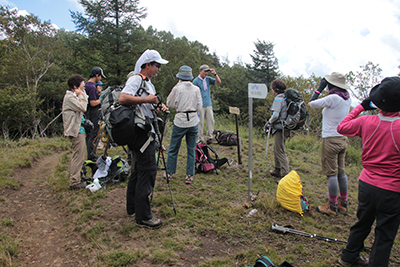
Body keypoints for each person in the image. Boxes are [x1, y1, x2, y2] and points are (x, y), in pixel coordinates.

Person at [337, 77, 400, 267]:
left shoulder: (366, 121)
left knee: (362, 222)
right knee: (385, 233)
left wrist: (361, 107)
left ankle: (348, 256)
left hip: (366, 184)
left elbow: (342, 127)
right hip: (392, 189)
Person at [118, 49, 168, 228]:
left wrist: (156, 104)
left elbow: (145, 101)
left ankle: (132, 207)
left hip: (141, 130)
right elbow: (122, 98)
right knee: (148, 170)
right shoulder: (136, 79)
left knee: (138, 170)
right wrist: (147, 100)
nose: (158, 69)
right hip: (141, 132)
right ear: (147, 65)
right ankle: (144, 216)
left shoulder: (148, 83)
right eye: (157, 65)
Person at [308, 72, 351, 216]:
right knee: (341, 172)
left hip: (330, 139)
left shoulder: (333, 98)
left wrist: (319, 89)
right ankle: (343, 204)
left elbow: (312, 103)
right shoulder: (347, 98)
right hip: (343, 138)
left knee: (331, 174)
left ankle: (332, 207)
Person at [165, 65, 202, 184]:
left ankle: (170, 173)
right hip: (193, 120)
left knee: (173, 148)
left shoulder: (177, 89)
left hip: (180, 120)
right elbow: (199, 107)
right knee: (191, 149)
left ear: (180, 77)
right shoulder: (196, 89)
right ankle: (189, 175)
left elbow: (169, 103)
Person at [62, 74, 88, 190]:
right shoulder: (70, 98)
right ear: (75, 86)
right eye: (82, 86)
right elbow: (83, 107)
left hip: (80, 130)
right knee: (78, 156)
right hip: (75, 131)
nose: (84, 89)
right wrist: (82, 96)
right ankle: (74, 182)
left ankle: (79, 177)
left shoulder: (74, 96)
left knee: (81, 155)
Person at [192, 64, 221, 144]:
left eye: (207, 71)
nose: (206, 73)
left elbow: (218, 81)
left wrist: (215, 74)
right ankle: (200, 139)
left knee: (211, 121)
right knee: (200, 123)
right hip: (199, 106)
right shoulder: (196, 81)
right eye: (205, 71)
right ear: (200, 71)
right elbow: (193, 94)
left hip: (208, 104)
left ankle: (209, 138)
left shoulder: (208, 79)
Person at [267, 79, 290, 179]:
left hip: (280, 128)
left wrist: (269, 122)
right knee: (277, 149)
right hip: (286, 127)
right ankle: (277, 169)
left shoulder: (278, 99)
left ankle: (285, 175)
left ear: (275, 89)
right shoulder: (285, 97)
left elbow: (276, 114)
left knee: (280, 151)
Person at [85, 66, 106, 161]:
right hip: (92, 112)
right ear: (97, 75)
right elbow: (92, 103)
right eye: (100, 76)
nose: (100, 78)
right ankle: (91, 155)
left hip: (87, 113)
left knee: (90, 133)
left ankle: (90, 153)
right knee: (93, 134)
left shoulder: (86, 85)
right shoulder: (92, 87)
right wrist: (101, 100)